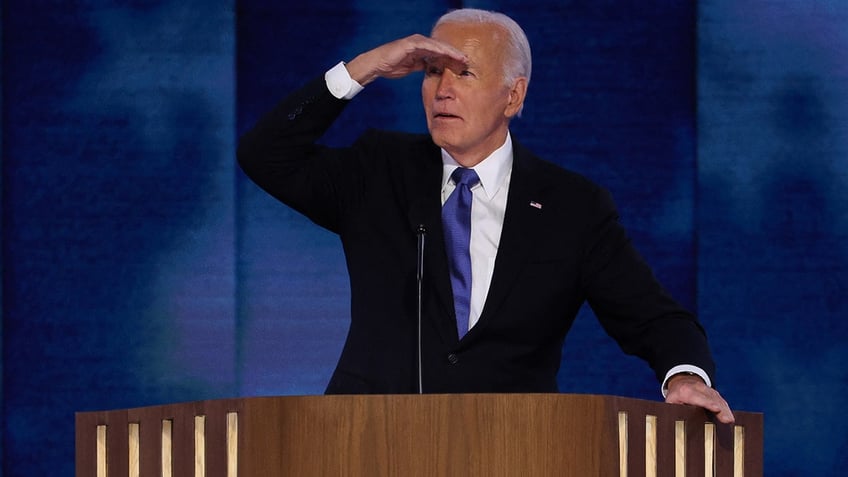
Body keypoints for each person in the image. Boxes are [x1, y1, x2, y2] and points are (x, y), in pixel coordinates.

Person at [238, 8, 734, 424]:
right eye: (433, 71)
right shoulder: (379, 170)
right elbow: (265, 154)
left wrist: (686, 376)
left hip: (513, 449)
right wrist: (363, 68)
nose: (442, 90)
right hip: (369, 442)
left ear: (513, 96)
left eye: (465, 73)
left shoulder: (572, 207)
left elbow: (653, 317)